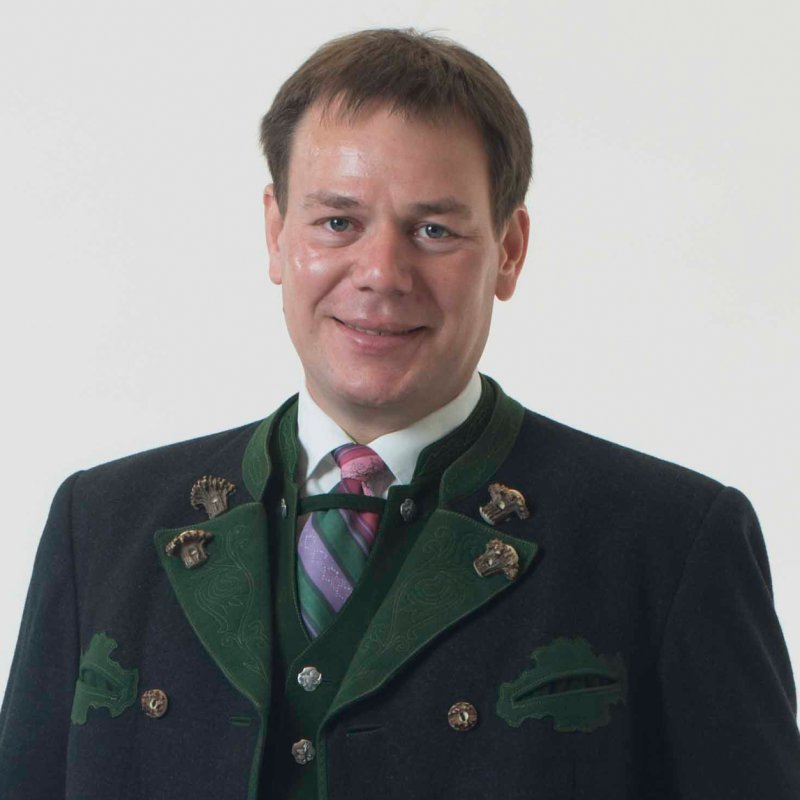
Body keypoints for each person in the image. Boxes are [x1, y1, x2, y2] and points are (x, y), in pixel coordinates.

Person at [1, 27, 798, 800]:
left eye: (434, 229)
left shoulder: (671, 543)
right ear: (276, 233)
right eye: (338, 222)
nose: (381, 272)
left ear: (510, 250)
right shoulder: (97, 524)